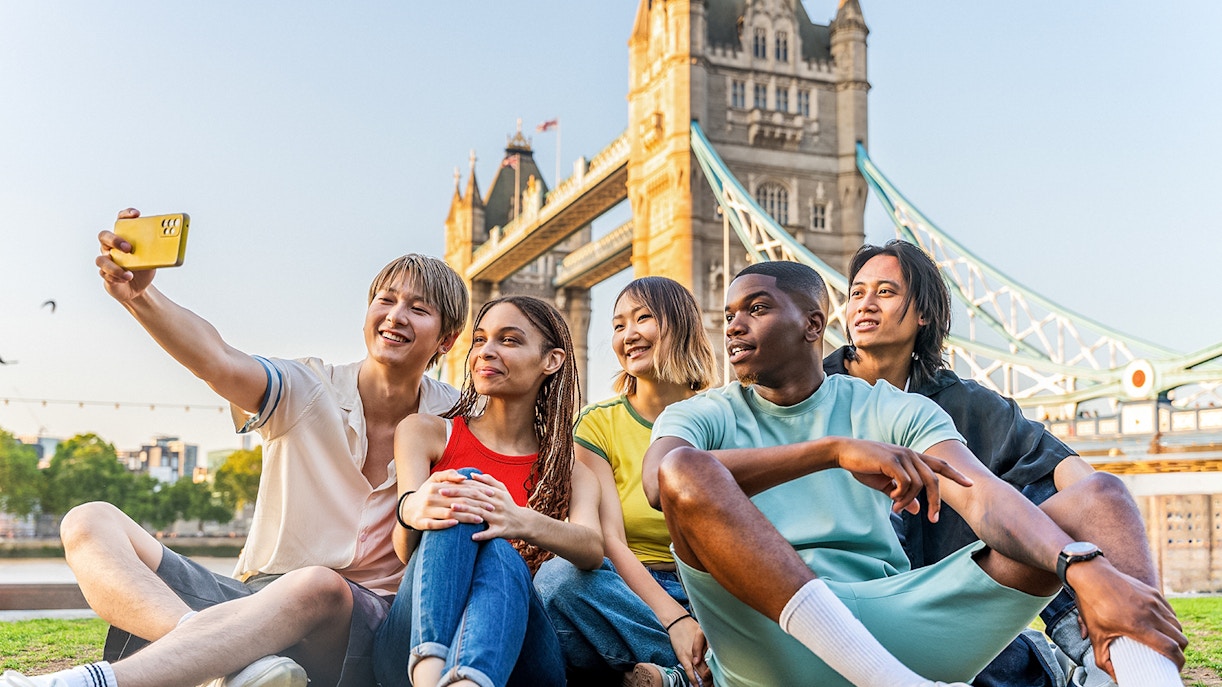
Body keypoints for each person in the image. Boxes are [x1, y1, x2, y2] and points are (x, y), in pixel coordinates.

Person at [641, 260, 1186, 687]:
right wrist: (832, 451)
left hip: (894, 616)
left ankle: (1148, 680)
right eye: (729, 313)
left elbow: (982, 498)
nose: (733, 325)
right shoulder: (703, 413)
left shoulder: (894, 407)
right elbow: (662, 482)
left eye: (755, 308)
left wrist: (1084, 569)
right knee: (684, 468)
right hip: (763, 633)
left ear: (812, 324)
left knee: (1103, 496)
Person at [0, 208, 468, 687]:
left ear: (448, 339)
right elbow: (217, 360)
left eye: (418, 308)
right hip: (252, 601)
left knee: (317, 585)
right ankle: (229, 657)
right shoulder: (308, 387)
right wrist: (140, 297)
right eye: (385, 299)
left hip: (363, 624)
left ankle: (92, 682)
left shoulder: (460, 420)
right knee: (88, 520)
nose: (395, 316)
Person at [825, 240, 1171, 687]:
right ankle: (1048, 661)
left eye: (885, 292)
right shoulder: (815, 393)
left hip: (945, 603)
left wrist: (1102, 546)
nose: (865, 304)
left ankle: (1110, 645)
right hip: (846, 605)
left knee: (1056, 491)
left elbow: (1063, 466)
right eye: (856, 293)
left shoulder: (962, 401)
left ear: (922, 313)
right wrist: (698, 614)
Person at [372, 295, 604, 687]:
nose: (486, 352)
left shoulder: (570, 471)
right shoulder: (424, 432)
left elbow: (592, 549)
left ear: (552, 361)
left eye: (508, 340)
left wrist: (516, 519)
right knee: (462, 489)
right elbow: (403, 548)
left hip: (518, 654)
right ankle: (433, 675)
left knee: (498, 546)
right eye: (479, 340)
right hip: (409, 641)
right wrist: (412, 509)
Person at [534, 277, 718, 687]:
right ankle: (706, 670)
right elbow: (611, 541)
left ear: (681, 324)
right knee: (556, 582)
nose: (628, 335)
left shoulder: (721, 413)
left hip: (708, 588)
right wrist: (674, 619)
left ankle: (674, 674)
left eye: (643, 318)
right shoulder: (598, 423)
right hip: (626, 592)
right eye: (618, 325)